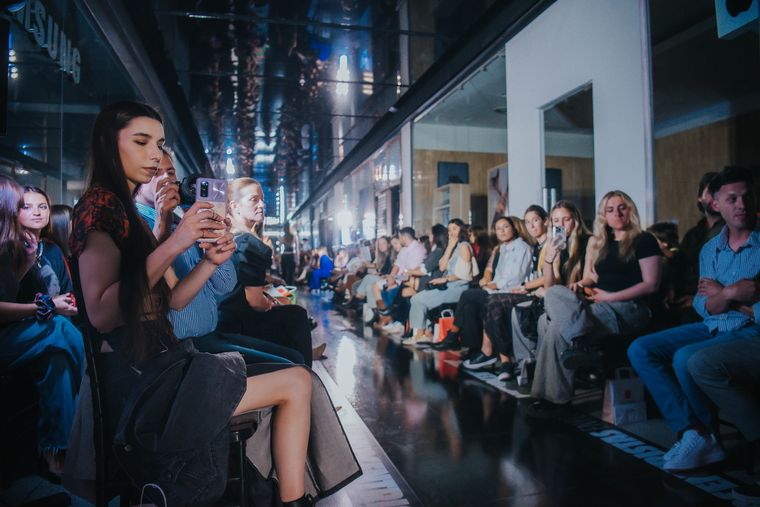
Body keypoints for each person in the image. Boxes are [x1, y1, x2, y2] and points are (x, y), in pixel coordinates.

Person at [66, 102, 314, 505]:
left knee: (297, 377)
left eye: (159, 144)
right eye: (142, 142)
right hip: (143, 380)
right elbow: (101, 312)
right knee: (297, 379)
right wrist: (177, 240)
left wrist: (210, 261)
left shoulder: (128, 211)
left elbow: (175, 298)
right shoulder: (101, 206)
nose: (154, 155)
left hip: (166, 363)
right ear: (108, 144)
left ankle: (280, 497)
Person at [628, 166, 760, 473]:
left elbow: (726, 303)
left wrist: (724, 297)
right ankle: (695, 432)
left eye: (747, 197)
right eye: (732, 199)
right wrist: (732, 293)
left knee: (687, 358)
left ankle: (727, 438)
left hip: (749, 329)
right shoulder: (710, 248)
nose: (741, 205)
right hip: (713, 325)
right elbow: (703, 304)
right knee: (641, 349)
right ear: (716, 204)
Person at [134, 151, 300, 364]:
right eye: (156, 172)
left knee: (294, 357)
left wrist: (217, 239)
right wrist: (164, 222)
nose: (166, 178)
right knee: (293, 364)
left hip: (210, 335)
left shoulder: (184, 221)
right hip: (179, 346)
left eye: (171, 172)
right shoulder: (138, 225)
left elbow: (224, 284)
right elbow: (172, 298)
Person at [528, 190, 662, 417]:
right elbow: (593, 277)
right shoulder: (602, 243)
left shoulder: (644, 240)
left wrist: (610, 297)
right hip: (598, 304)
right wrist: (577, 283)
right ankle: (575, 343)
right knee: (554, 296)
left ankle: (556, 399)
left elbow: (651, 284)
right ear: (604, 215)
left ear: (631, 210)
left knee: (553, 327)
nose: (616, 213)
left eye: (622, 208)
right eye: (610, 209)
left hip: (628, 307)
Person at [0, 175, 84, 476]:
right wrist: (48, 306)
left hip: (23, 333)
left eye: (42, 206)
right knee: (60, 329)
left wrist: (26, 263)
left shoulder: (42, 249)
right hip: (16, 333)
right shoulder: (9, 246)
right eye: (23, 205)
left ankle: (57, 451)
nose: (34, 211)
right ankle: (92, 412)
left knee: (57, 359)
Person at [220, 177, 318, 366]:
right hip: (237, 324)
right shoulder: (250, 243)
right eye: (254, 199)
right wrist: (269, 303)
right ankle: (304, 370)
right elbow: (254, 301)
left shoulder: (230, 236)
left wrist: (268, 282)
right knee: (297, 314)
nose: (262, 205)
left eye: (262, 199)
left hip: (223, 320)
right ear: (234, 206)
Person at [508, 200, 591, 376]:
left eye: (566, 219)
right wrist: (550, 257)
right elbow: (549, 284)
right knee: (518, 311)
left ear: (575, 220)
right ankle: (526, 363)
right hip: (556, 295)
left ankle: (541, 367)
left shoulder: (587, 241)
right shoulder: (555, 245)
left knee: (543, 320)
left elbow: (588, 277)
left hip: (574, 296)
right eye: (556, 221)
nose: (561, 225)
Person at [459, 210, 543, 377]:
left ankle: (489, 352)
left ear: (514, 229)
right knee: (470, 300)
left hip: (518, 290)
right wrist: (489, 284)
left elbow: (515, 278)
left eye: (506, 227)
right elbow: (495, 274)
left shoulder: (522, 247)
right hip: (501, 289)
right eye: (498, 228)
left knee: (474, 297)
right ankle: (482, 350)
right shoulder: (502, 249)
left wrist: (492, 285)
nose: (502, 231)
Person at [404, 219, 473, 345]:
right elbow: (442, 267)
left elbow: (466, 275)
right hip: (448, 285)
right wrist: (450, 246)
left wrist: (445, 279)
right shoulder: (453, 247)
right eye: (449, 229)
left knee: (418, 299)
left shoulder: (464, 247)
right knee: (416, 298)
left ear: (461, 230)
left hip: (459, 287)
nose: (451, 232)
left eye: (455, 229)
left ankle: (420, 334)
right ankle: (425, 333)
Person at [676, 172, 724, 321]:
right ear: (700, 197)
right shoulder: (693, 234)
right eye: (711, 191)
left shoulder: (730, 231)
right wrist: (671, 289)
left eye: (720, 192)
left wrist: (696, 299)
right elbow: (678, 263)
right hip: (683, 296)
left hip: (710, 300)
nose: (716, 197)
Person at [18, 186, 73, 297]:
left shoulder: (53, 248)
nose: (37, 212)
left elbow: (68, 292)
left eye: (43, 207)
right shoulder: (8, 248)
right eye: (26, 207)